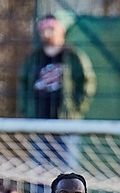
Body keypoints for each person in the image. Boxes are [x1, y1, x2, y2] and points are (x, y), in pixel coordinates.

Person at [19, 14, 96, 178]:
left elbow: (87, 83)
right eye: (43, 30)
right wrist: (27, 111)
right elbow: (23, 85)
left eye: (51, 29)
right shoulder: (34, 58)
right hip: (39, 123)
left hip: (66, 125)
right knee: (39, 173)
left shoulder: (73, 56)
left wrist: (76, 109)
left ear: (61, 30)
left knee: (68, 172)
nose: (47, 33)